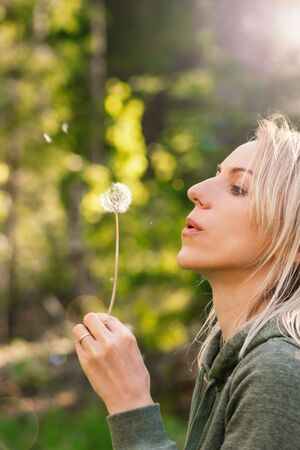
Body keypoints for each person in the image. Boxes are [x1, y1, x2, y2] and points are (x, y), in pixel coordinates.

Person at [72, 113, 300, 450]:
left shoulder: (277, 372)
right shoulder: (227, 360)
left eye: (238, 188)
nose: (195, 191)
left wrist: (131, 404)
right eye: (215, 175)